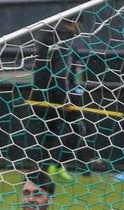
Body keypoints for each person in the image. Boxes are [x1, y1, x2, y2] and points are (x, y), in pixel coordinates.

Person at [29, 15, 85, 183]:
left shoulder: (45, 37)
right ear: (75, 24)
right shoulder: (64, 41)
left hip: (39, 95)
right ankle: (57, 164)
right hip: (56, 97)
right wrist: (65, 100)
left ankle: (44, 168)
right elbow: (60, 75)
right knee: (79, 128)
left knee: (49, 131)